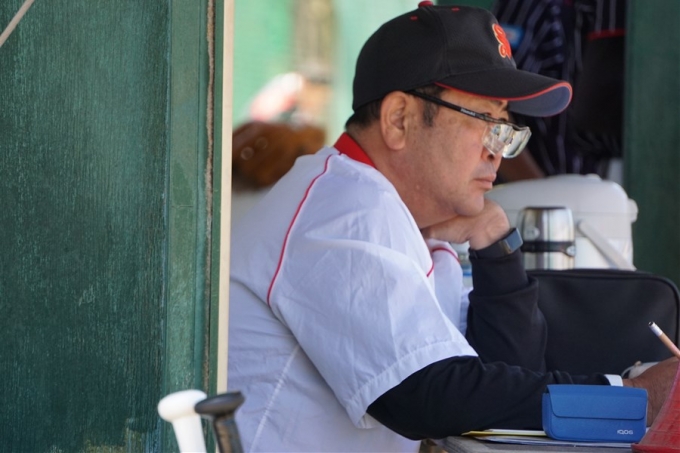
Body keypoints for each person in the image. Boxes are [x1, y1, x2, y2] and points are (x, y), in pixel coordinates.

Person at [227, 3, 678, 451]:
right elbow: (430, 396)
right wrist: (632, 398)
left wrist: (496, 244)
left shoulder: (410, 216)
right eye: (486, 121)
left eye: (506, 130)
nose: (497, 151)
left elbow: (504, 370)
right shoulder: (342, 206)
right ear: (399, 119)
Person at [491, 0, 626, 183]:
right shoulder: (526, 6)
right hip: (523, 188)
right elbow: (491, 106)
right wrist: (538, 188)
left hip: (590, 184)